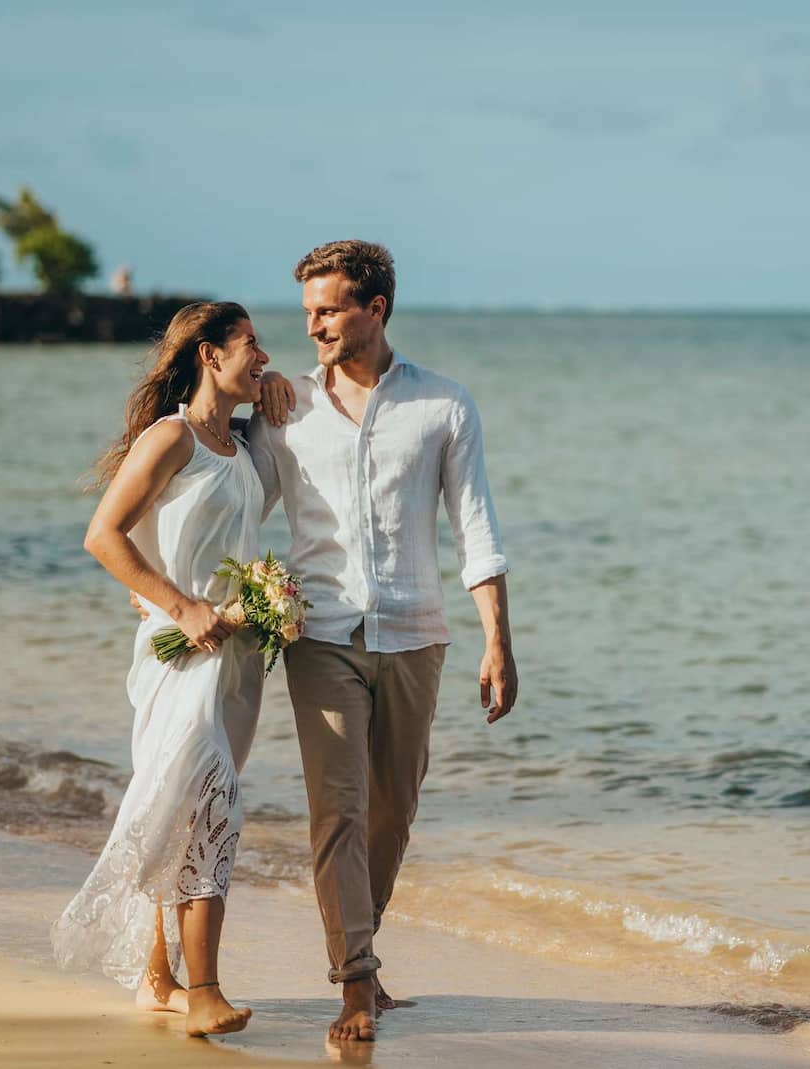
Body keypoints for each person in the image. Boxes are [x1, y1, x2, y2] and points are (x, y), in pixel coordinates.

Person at [250, 239, 519, 1043]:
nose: (316, 328)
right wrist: (173, 585)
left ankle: (361, 952)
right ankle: (356, 983)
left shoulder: (443, 405)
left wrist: (498, 641)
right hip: (318, 631)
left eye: (329, 310)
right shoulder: (286, 408)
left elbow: (477, 529)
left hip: (415, 634)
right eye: (308, 313)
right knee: (337, 808)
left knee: (393, 812)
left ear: (377, 308)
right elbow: (239, 499)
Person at [52, 301, 274, 1039]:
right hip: (180, 654)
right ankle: (204, 989)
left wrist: (262, 607)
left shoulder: (240, 450)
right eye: (250, 345)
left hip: (234, 659)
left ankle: (158, 979)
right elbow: (102, 535)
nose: (263, 355)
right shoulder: (173, 436)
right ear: (210, 355)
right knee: (212, 805)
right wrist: (178, 607)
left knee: (183, 805)